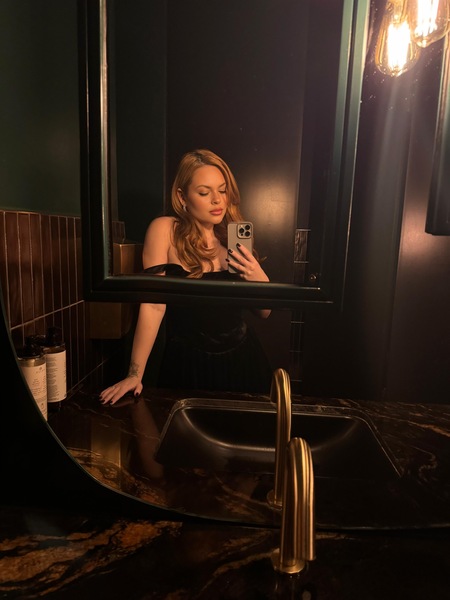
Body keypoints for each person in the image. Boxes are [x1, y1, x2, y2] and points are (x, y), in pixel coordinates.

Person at [100, 149, 272, 405]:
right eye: (204, 192)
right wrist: (134, 374)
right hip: (188, 364)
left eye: (222, 190)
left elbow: (264, 312)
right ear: (182, 196)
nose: (217, 200)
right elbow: (153, 305)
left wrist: (257, 274)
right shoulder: (165, 230)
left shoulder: (232, 238)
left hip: (242, 361)